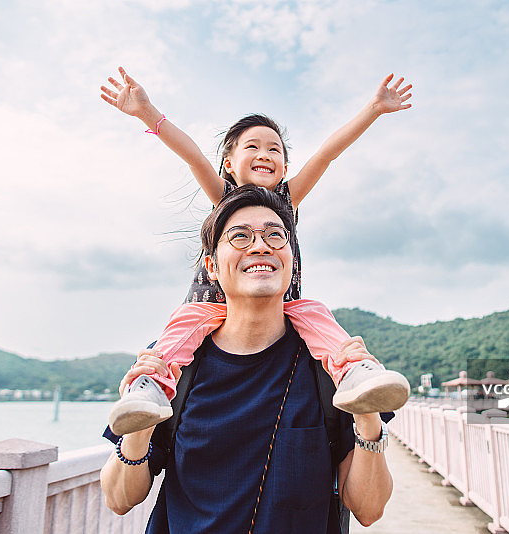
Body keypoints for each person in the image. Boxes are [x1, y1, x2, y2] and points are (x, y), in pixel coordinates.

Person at [100, 67, 412, 436]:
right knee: (180, 329)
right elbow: (195, 158)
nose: (265, 153)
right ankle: (150, 388)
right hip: (213, 305)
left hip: (278, 306)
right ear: (230, 164)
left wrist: (373, 109)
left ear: (284, 167)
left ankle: (354, 371)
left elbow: (327, 153)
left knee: (315, 314)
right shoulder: (226, 199)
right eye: (253, 146)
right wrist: (146, 112)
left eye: (274, 149)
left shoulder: (287, 200)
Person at [100, 185, 394, 533]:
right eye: (240, 237)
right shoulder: (174, 364)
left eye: (275, 235)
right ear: (211, 266)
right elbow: (119, 499)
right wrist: (140, 431)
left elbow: (369, 509)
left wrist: (367, 418)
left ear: (290, 258)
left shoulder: (327, 365)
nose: (260, 246)